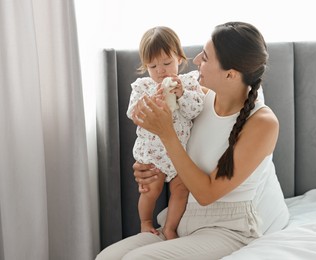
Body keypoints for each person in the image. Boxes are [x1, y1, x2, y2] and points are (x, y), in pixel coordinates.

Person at [96, 21, 288, 260]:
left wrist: (167, 135)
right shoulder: (196, 100)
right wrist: (149, 167)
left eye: (205, 57)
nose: (196, 60)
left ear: (231, 74)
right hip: (184, 216)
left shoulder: (263, 123)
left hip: (228, 228)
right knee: (107, 257)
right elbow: (169, 151)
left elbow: (207, 194)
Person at [126, 26, 204, 240]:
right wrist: (154, 97)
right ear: (145, 67)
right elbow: (134, 114)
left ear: (179, 58)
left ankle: (170, 227)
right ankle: (146, 222)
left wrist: (181, 95)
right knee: (150, 188)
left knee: (181, 189)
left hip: (180, 154)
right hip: (154, 154)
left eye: (167, 63)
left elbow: (195, 110)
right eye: (153, 66)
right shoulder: (143, 86)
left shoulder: (188, 83)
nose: (161, 71)